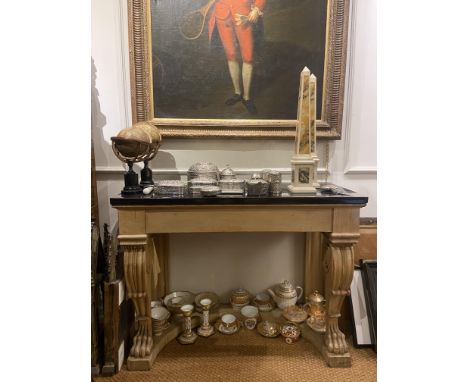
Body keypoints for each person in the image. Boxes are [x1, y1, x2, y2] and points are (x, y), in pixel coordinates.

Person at [208, 0, 266, 114]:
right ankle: (237, 92)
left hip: (244, 16)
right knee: (231, 55)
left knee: (248, 58)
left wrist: (256, 9)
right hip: (222, 15)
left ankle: (246, 97)